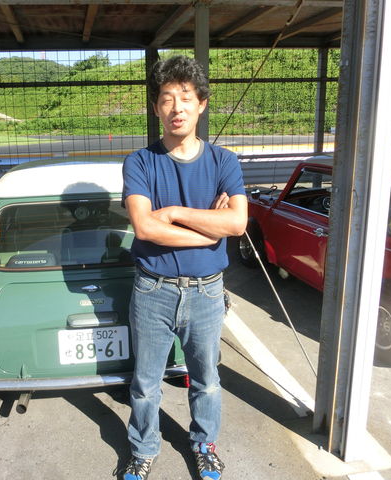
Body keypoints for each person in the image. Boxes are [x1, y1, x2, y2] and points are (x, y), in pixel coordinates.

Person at [119, 55, 248, 480]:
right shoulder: (140, 162)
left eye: (186, 97)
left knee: (206, 379)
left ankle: (204, 445)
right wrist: (209, 232)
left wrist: (174, 213)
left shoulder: (224, 162)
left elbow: (238, 223)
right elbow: (144, 227)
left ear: (201, 104)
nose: (177, 107)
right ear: (156, 107)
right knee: (145, 383)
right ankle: (143, 449)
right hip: (152, 290)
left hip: (207, 291)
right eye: (167, 98)